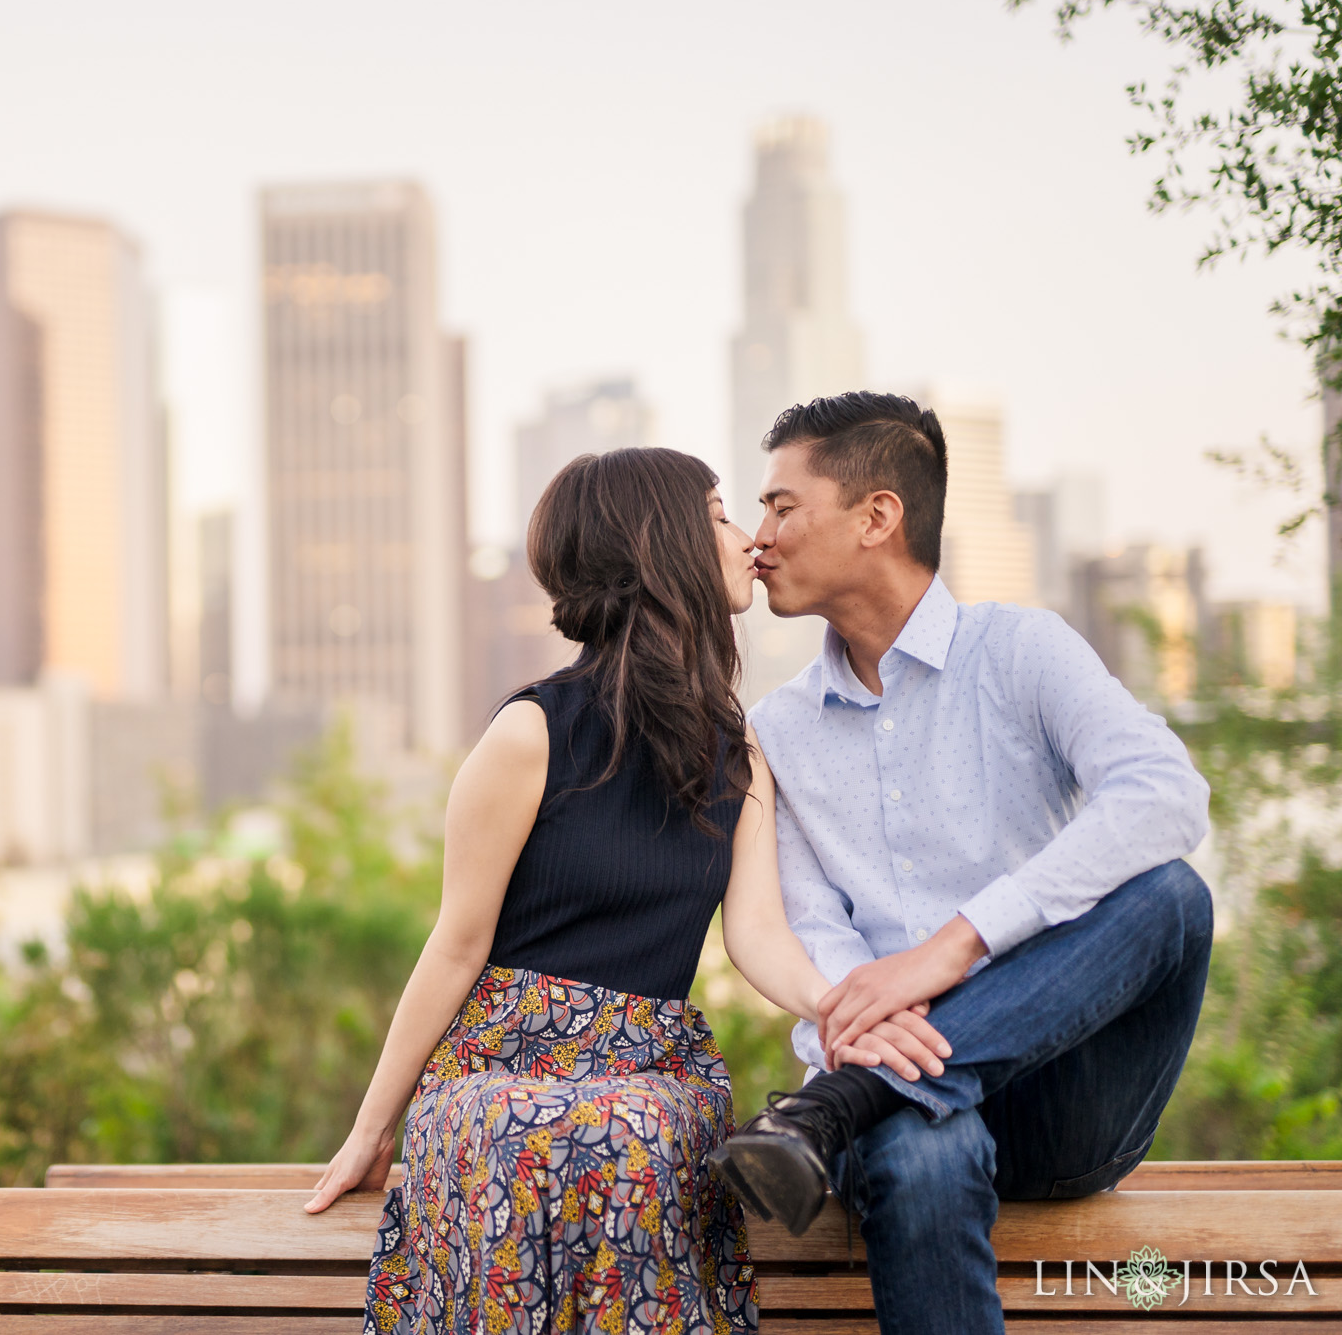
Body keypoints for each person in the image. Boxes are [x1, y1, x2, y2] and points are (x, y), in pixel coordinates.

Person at [306, 446, 950, 1335]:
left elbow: (758, 931)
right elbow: (456, 943)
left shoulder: (737, 751)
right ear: (662, 544)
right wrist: (372, 1128)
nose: (746, 539)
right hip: (502, 1060)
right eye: (721, 515)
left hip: (651, 1065)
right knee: (519, 1126)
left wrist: (849, 1011)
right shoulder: (530, 733)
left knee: (636, 1128)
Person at [710, 392, 1213, 1335]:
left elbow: (1167, 794)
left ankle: (842, 1104)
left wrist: (957, 944)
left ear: (877, 516)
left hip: (1064, 1100)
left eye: (782, 505)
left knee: (1174, 897)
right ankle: (871, 1095)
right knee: (920, 1150)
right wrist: (866, 1019)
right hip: (894, 1099)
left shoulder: (1022, 650)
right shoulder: (776, 729)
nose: (759, 535)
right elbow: (812, 932)